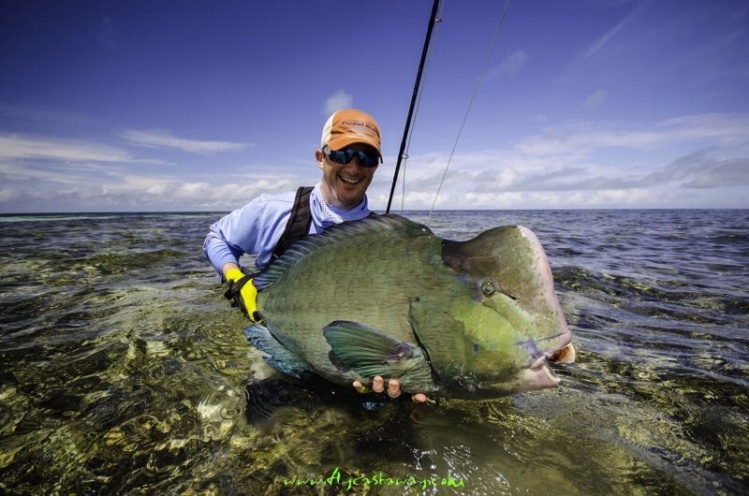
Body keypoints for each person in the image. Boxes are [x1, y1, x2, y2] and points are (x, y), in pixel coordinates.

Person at [203, 108, 427, 404]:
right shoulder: (275, 209)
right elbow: (216, 238)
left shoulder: (384, 237)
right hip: (276, 335)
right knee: (263, 417)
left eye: (367, 158)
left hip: (340, 360)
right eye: (343, 154)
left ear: (375, 167)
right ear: (321, 158)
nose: (354, 167)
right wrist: (235, 278)